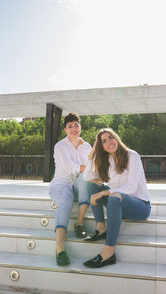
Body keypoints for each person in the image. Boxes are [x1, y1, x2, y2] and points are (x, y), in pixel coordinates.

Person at [82, 128, 151, 268]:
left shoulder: (132, 156)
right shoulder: (106, 161)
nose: (109, 142)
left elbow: (131, 187)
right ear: (101, 146)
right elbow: (87, 177)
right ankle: (101, 228)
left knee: (113, 196)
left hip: (140, 207)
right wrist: (92, 152)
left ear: (116, 138)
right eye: (104, 141)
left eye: (110, 137)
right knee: (92, 187)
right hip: (118, 204)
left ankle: (109, 252)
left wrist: (104, 193)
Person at [49, 112, 91, 266]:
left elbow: (89, 170)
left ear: (80, 127)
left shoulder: (87, 146)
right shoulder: (60, 146)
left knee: (86, 177)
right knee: (66, 199)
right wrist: (88, 168)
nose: (73, 129)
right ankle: (59, 248)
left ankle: (79, 223)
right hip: (61, 184)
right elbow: (68, 168)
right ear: (65, 130)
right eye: (70, 126)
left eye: (76, 125)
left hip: (79, 185)